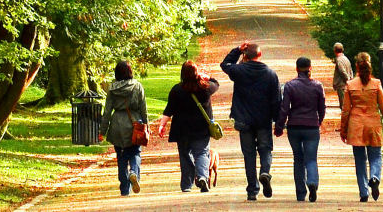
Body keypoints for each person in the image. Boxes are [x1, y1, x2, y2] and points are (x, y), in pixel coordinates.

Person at [221, 43, 282, 201]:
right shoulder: (270, 74)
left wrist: (236, 50)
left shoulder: (239, 71)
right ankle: (265, 172)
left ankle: (252, 190)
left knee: (248, 155)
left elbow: (225, 64)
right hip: (263, 120)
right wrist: (278, 122)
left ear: (246, 55)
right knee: (265, 149)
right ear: (260, 55)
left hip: (244, 120)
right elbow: (276, 101)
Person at [340, 52, 383, 202]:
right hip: (373, 124)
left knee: (360, 160)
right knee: (376, 155)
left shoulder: (351, 85)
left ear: (356, 66)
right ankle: (375, 177)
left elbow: (346, 111)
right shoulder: (376, 84)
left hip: (356, 125)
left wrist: (343, 129)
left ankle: (364, 191)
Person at [161, 62, 220, 193]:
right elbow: (216, 84)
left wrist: (162, 125)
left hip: (182, 129)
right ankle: (202, 177)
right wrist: (207, 77)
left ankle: (187, 185)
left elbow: (169, 109)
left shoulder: (177, 90)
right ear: (196, 73)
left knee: (185, 155)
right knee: (202, 153)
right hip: (201, 128)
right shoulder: (205, 88)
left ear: (182, 74)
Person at [276, 56, 326, 202]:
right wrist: (319, 120)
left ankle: (300, 192)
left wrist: (279, 126)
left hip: (294, 126)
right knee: (311, 158)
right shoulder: (317, 86)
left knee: (298, 158)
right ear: (310, 68)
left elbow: (284, 108)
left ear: (296, 69)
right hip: (311, 126)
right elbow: (322, 108)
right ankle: (312, 182)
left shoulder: (290, 86)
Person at [102, 61, 147, 196]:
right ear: (130, 71)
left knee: (121, 157)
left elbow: (107, 111)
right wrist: (147, 126)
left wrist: (102, 131)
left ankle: (124, 188)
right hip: (134, 124)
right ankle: (134, 171)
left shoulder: (112, 88)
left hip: (117, 125)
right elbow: (143, 108)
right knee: (135, 152)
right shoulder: (137, 86)